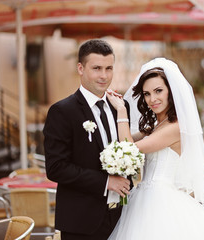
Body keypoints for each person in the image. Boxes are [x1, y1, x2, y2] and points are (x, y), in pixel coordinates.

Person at [106, 58, 204, 239]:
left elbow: (129, 149)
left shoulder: (175, 128)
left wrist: (122, 111)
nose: (152, 99)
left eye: (158, 91)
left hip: (162, 202)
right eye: (146, 94)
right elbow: (120, 142)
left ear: (171, 92)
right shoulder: (155, 126)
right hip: (144, 199)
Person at [43, 39, 131, 240]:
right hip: (81, 222)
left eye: (109, 68)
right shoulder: (62, 112)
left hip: (123, 218)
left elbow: (128, 150)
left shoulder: (121, 106)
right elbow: (56, 167)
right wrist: (107, 181)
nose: (104, 75)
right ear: (80, 68)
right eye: (97, 68)